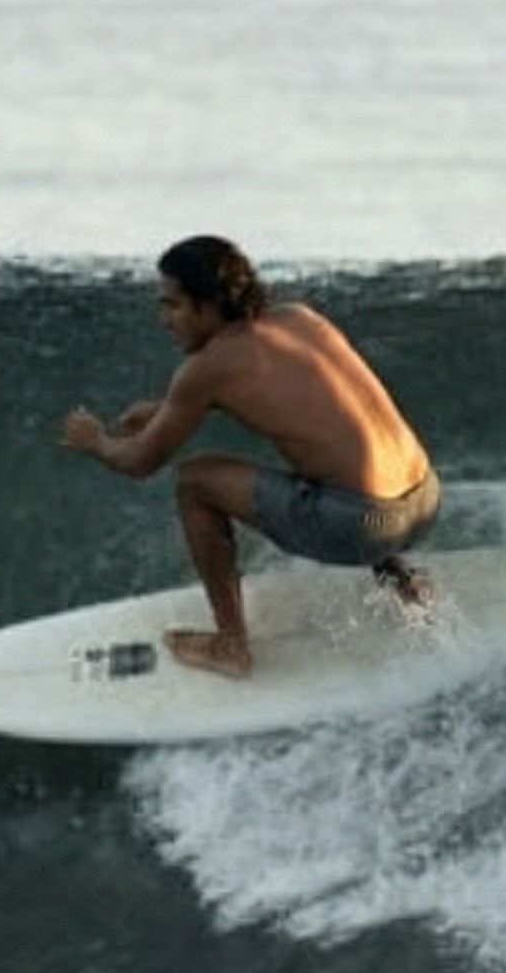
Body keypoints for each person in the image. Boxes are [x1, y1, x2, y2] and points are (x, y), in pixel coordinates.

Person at [60, 235, 439, 679]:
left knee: (195, 481)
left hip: (361, 525)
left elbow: (140, 462)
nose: (164, 320)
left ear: (210, 303)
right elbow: (280, 395)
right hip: (425, 499)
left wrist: (96, 441)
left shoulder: (206, 369)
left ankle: (231, 646)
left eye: (173, 305)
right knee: (327, 451)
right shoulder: (299, 319)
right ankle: (403, 581)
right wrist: (170, 410)